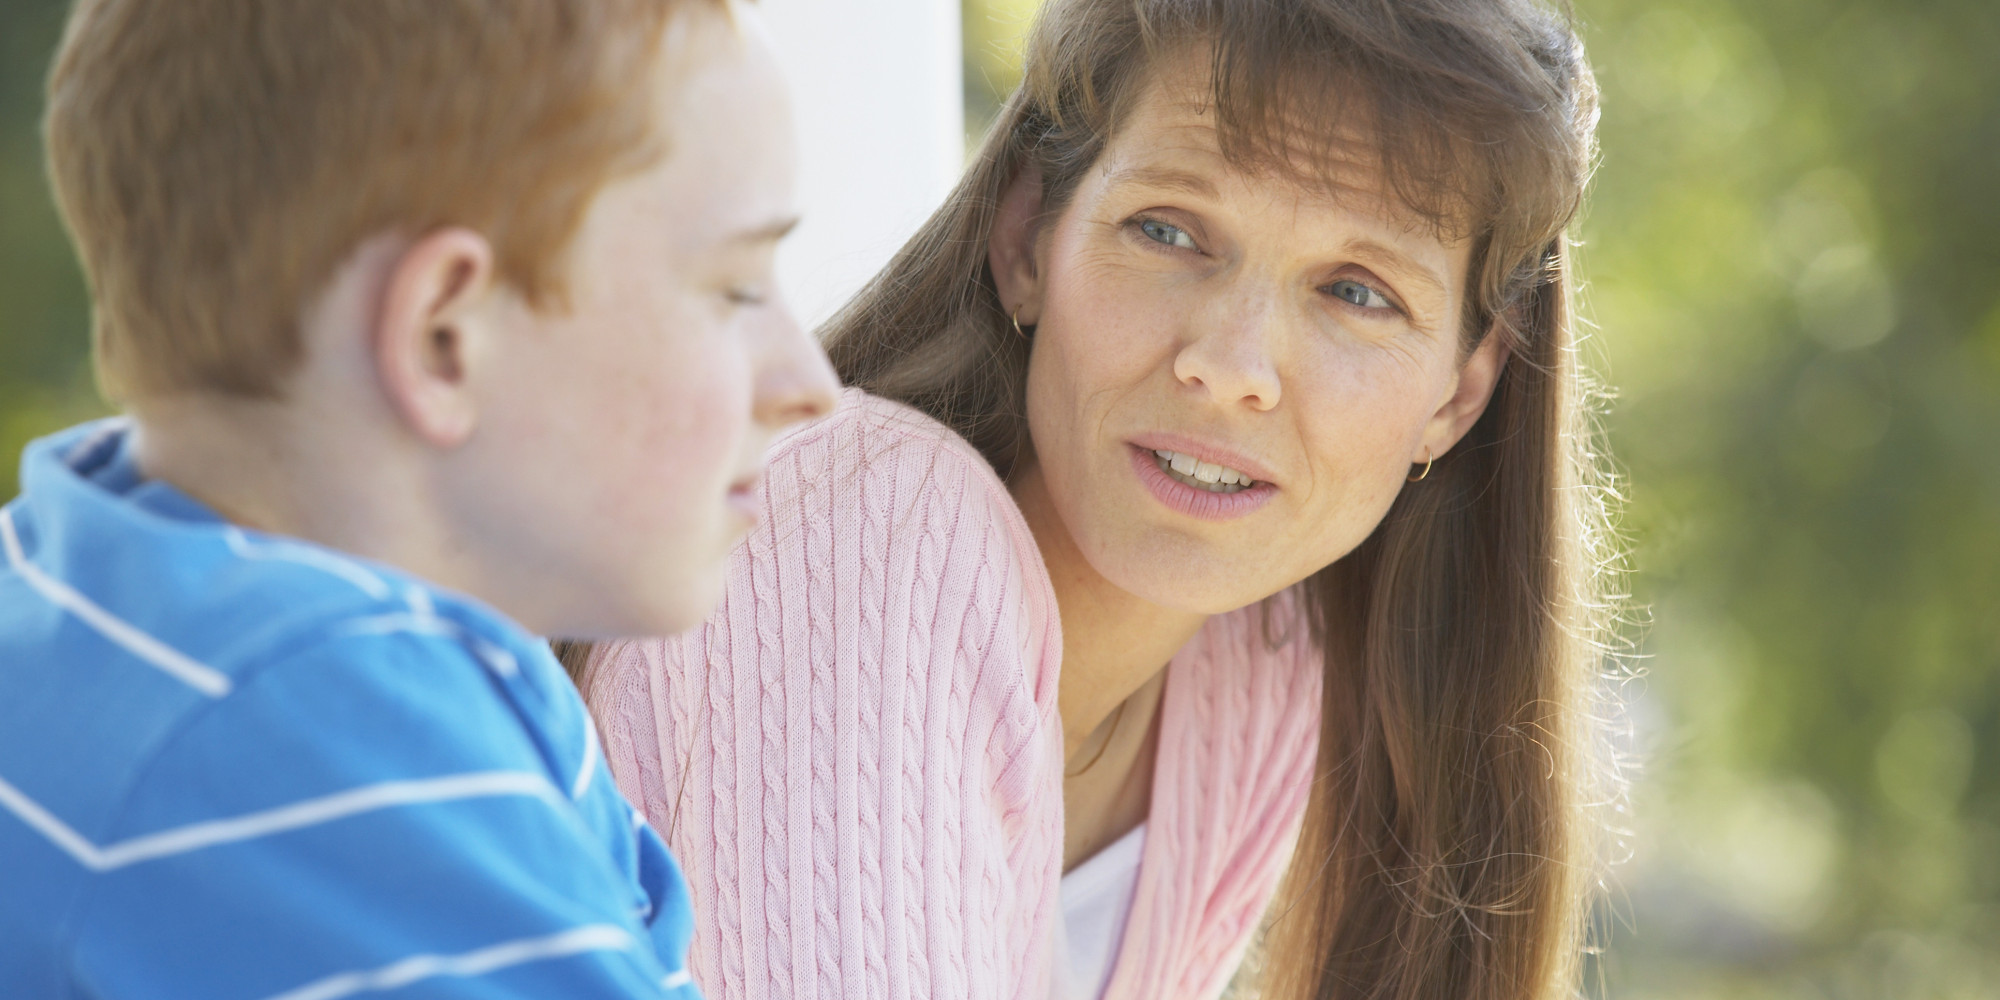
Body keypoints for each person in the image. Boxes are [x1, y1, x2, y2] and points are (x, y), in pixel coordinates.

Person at [576, 0, 1615, 997]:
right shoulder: (863, 527)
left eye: (1355, 292)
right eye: (1168, 230)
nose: (1230, 361)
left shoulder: (1251, 665)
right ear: (1027, 235)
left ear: (1459, 392)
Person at [0, 1, 837, 997]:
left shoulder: (89, 584)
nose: (810, 381)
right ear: (445, 336)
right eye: (736, 289)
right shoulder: (318, 739)